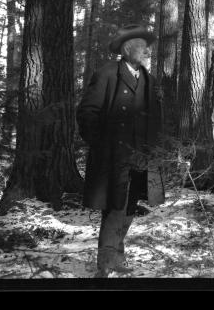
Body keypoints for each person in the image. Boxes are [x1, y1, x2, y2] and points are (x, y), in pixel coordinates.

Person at [76, 24, 166, 277]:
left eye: (148, 47)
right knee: (114, 208)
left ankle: (117, 257)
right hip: (114, 158)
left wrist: (156, 151)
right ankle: (105, 264)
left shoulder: (150, 80)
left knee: (129, 207)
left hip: (142, 159)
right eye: (143, 46)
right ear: (128, 49)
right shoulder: (107, 74)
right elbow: (87, 113)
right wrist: (101, 144)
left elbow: (157, 120)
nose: (148, 50)